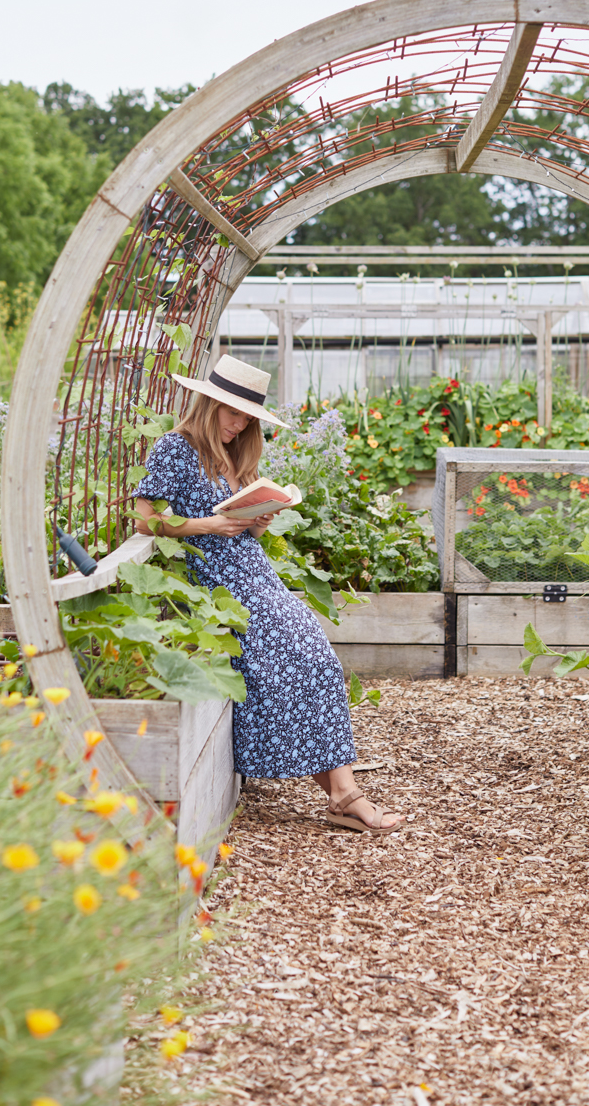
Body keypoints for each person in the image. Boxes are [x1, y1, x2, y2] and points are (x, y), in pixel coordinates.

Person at [133, 354, 403, 834]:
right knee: (299, 653)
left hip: (251, 572)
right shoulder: (176, 449)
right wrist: (209, 526)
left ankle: (343, 794)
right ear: (209, 402)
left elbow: (241, 534)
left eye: (247, 417)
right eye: (231, 412)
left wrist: (254, 522)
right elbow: (145, 519)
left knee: (315, 656)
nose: (239, 424)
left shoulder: (231, 454)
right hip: (213, 580)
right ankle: (344, 796)